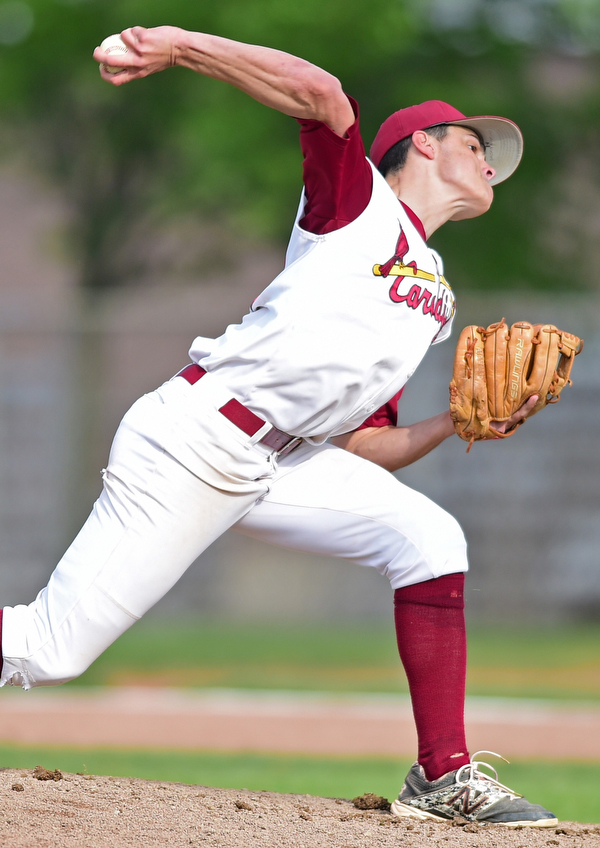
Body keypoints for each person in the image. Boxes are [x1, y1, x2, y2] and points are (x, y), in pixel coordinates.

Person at [0, 26, 556, 827]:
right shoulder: (359, 200)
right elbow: (325, 96)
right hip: (195, 440)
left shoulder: (436, 297)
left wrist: (458, 422)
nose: (489, 162)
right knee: (48, 650)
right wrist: (176, 46)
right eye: (476, 143)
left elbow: (367, 446)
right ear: (423, 146)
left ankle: (443, 777)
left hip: (281, 465)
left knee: (430, 540)